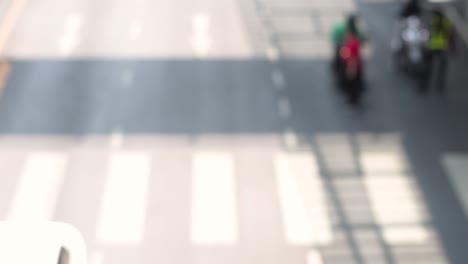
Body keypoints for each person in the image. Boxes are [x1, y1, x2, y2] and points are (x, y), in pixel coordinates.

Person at [421, 9, 454, 93]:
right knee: (441, 69)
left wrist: (424, 45)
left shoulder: (432, 21)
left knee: (428, 67)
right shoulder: (446, 22)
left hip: (432, 47)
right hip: (442, 48)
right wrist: (452, 48)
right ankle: (439, 85)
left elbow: (426, 34)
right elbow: (451, 36)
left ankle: (424, 85)